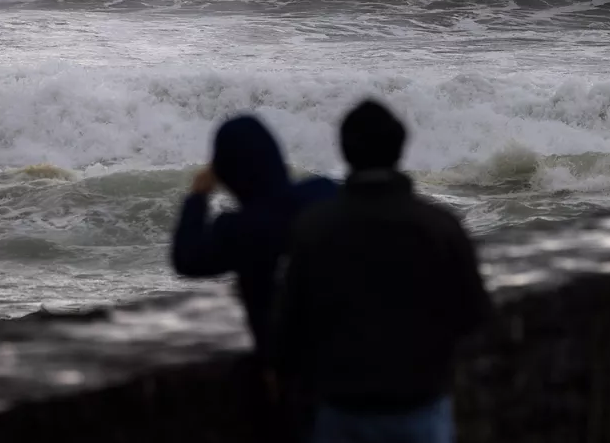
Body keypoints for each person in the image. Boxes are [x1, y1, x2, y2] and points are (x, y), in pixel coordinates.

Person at [277, 99, 492, 443]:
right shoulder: (440, 226)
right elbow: (474, 316)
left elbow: (290, 326)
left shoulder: (313, 229)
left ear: (345, 150)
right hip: (421, 405)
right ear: (400, 149)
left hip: (342, 409)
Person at [172, 114, 338, 359]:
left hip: (300, 369)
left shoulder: (239, 230)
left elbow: (186, 258)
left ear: (227, 174)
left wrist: (198, 196)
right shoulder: (325, 194)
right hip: (367, 349)